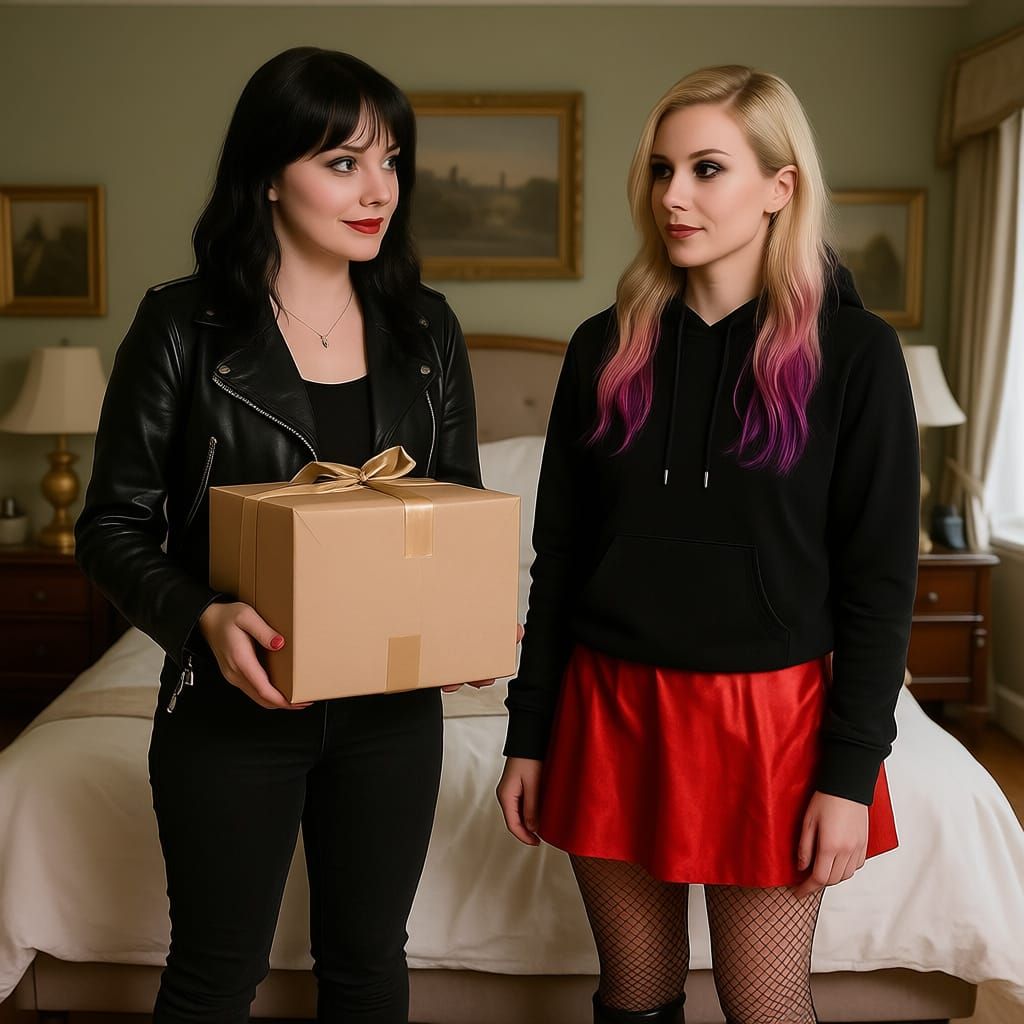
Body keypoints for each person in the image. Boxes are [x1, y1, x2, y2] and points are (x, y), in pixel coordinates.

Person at [76, 46, 491, 1024]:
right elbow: (111, 525)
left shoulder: (427, 331)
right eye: (342, 161)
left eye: (391, 161)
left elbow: (455, 506)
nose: (376, 189)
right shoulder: (183, 327)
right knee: (216, 977)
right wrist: (202, 617)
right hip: (230, 708)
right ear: (267, 174)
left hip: (392, 715)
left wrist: (459, 619)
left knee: (367, 968)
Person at [497, 65, 919, 1024]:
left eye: (706, 168)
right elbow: (557, 559)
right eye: (660, 169)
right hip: (608, 708)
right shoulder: (601, 347)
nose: (673, 195)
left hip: (769, 722)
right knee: (635, 995)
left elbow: (881, 583)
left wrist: (848, 777)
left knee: (764, 1006)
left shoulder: (855, 356)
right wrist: (530, 734)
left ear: (781, 187)